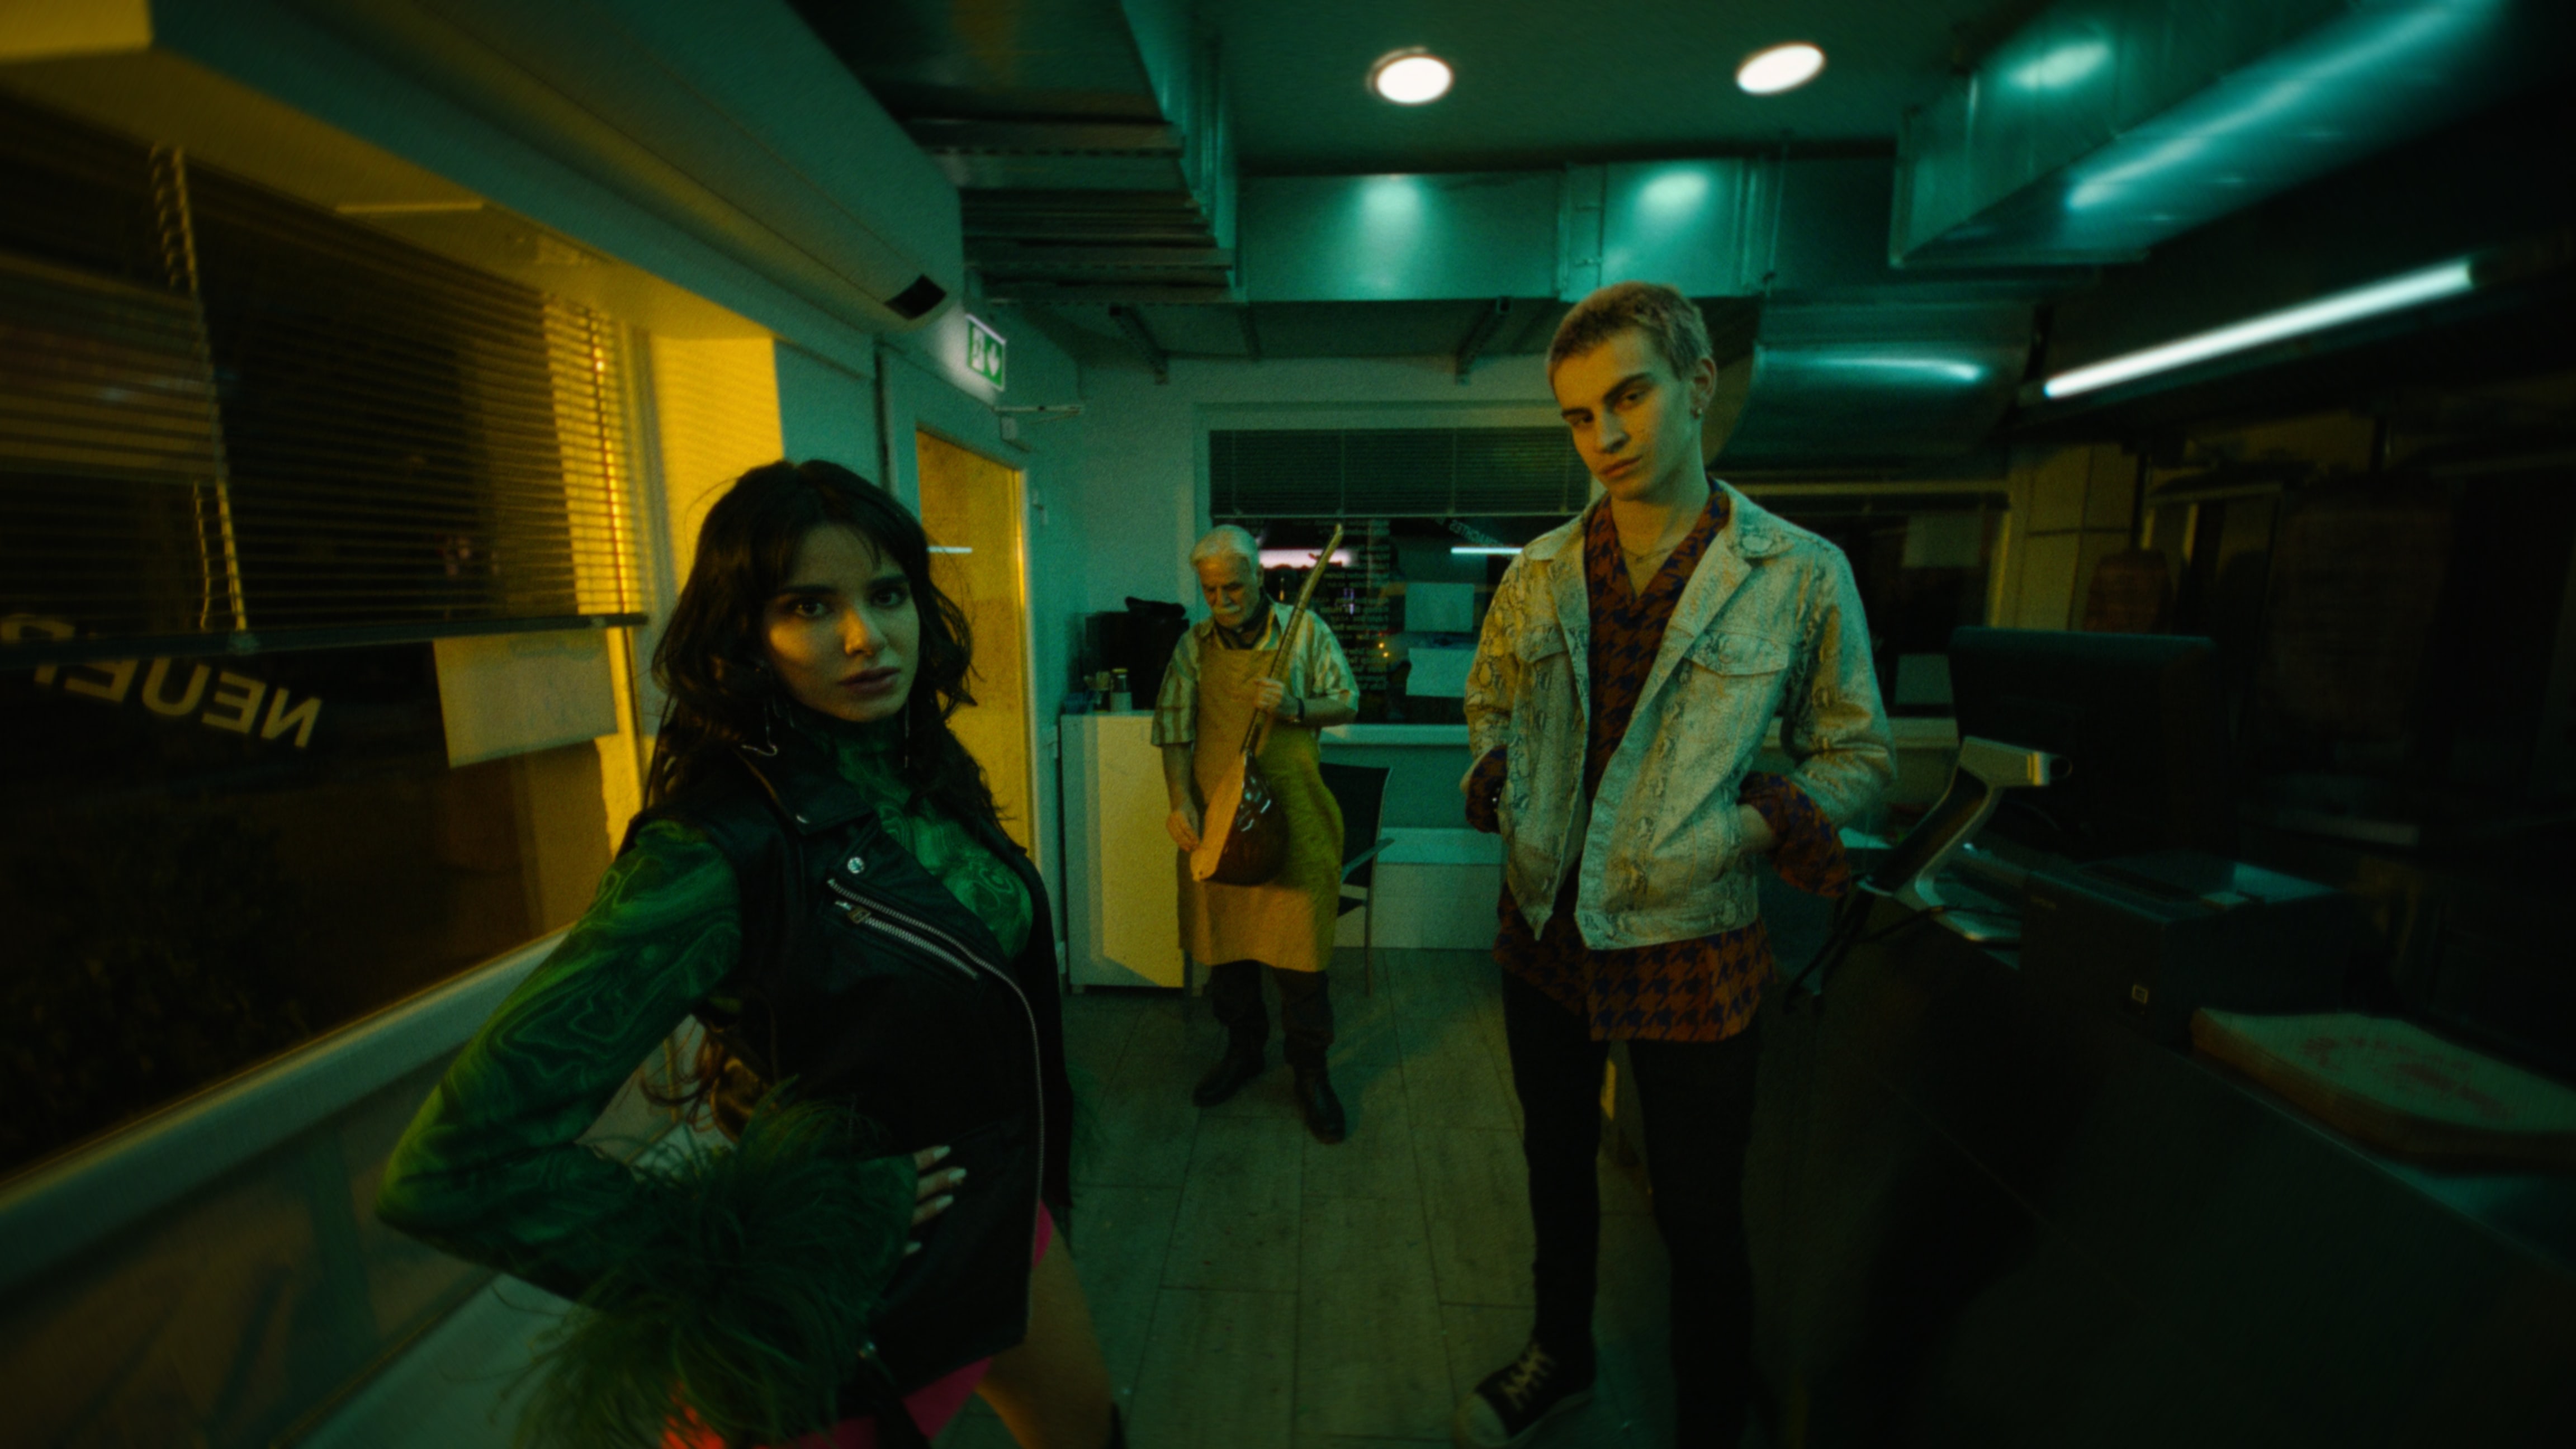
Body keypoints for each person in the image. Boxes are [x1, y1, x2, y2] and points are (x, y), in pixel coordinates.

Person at [376, 461, 1119, 1449]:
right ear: (744, 637)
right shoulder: (709, 850)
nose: (865, 637)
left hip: (1000, 1213)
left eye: (887, 593)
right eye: (808, 607)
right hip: (840, 1293)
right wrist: (772, 1237)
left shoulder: (921, 767)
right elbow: (456, 1167)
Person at [1453, 283, 1893, 1448]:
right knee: (1555, 1164)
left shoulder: (1796, 573)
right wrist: (1496, 769)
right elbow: (1488, 700)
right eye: (1578, 415)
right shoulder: (1538, 571)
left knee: (1699, 1212)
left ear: (1698, 386)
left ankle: (1707, 1424)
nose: (1603, 435)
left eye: (1629, 397)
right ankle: (1562, 1352)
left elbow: (1861, 758)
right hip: (1545, 927)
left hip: (1693, 933)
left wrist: (1752, 826)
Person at [1153, 525, 1361, 1143]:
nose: (1221, 602)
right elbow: (1174, 730)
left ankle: (1311, 1072)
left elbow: (1347, 700)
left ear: (1258, 577)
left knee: (1300, 960)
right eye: (1210, 591)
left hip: (1295, 821)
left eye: (1233, 588)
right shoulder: (1193, 647)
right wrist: (1180, 800)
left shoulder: (1305, 632)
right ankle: (1244, 1051)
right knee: (1229, 954)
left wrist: (1295, 707)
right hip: (1221, 824)